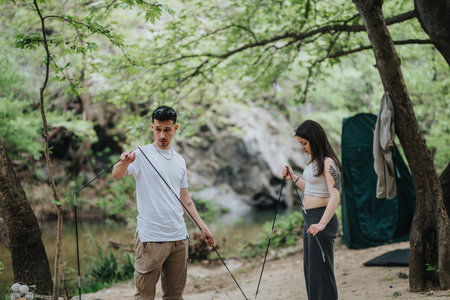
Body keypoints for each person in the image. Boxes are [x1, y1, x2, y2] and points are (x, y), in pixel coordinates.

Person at [112, 105, 215, 300]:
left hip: (179, 238)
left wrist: (203, 227)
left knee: (175, 296)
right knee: (144, 296)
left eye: (167, 129)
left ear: (175, 128)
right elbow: (116, 174)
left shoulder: (179, 160)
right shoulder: (140, 154)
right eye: (158, 129)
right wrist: (124, 161)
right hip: (151, 239)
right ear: (152, 127)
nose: (162, 135)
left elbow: (185, 199)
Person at [282, 120, 341, 300]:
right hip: (310, 219)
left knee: (322, 271)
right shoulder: (313, 163)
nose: (302, 147)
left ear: (315, 140)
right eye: (300, 143)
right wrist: (293, 178)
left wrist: (322, 223)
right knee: (311, 271)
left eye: (304, 143)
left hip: (321, 219)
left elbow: (335, 195)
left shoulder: (328, 162)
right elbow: (311, 189)